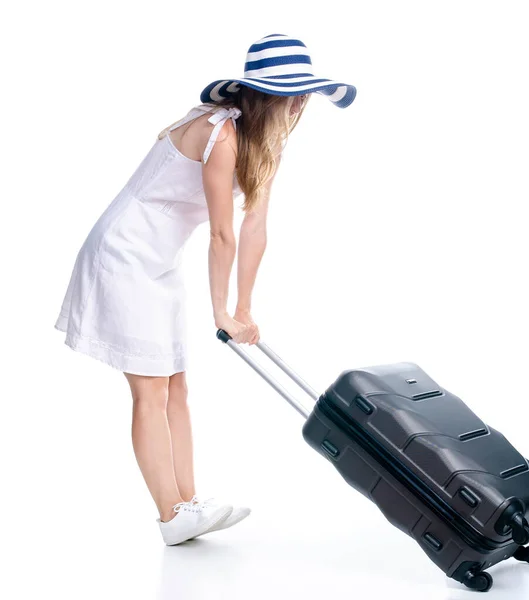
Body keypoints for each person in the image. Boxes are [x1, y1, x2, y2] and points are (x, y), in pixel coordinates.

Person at [53, 33, 357, 546]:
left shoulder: (266, 144)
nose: (302, 103)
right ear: (262, 93)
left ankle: (188, 504)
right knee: (150, 389)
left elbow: (255, 226)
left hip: (160, 259)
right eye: (292, 93)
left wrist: (243, 307)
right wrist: (220, 312)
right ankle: (171, 516)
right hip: (124, 253)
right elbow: (221, 232)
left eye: (306, 93)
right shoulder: (222, 133)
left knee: (177, 386)